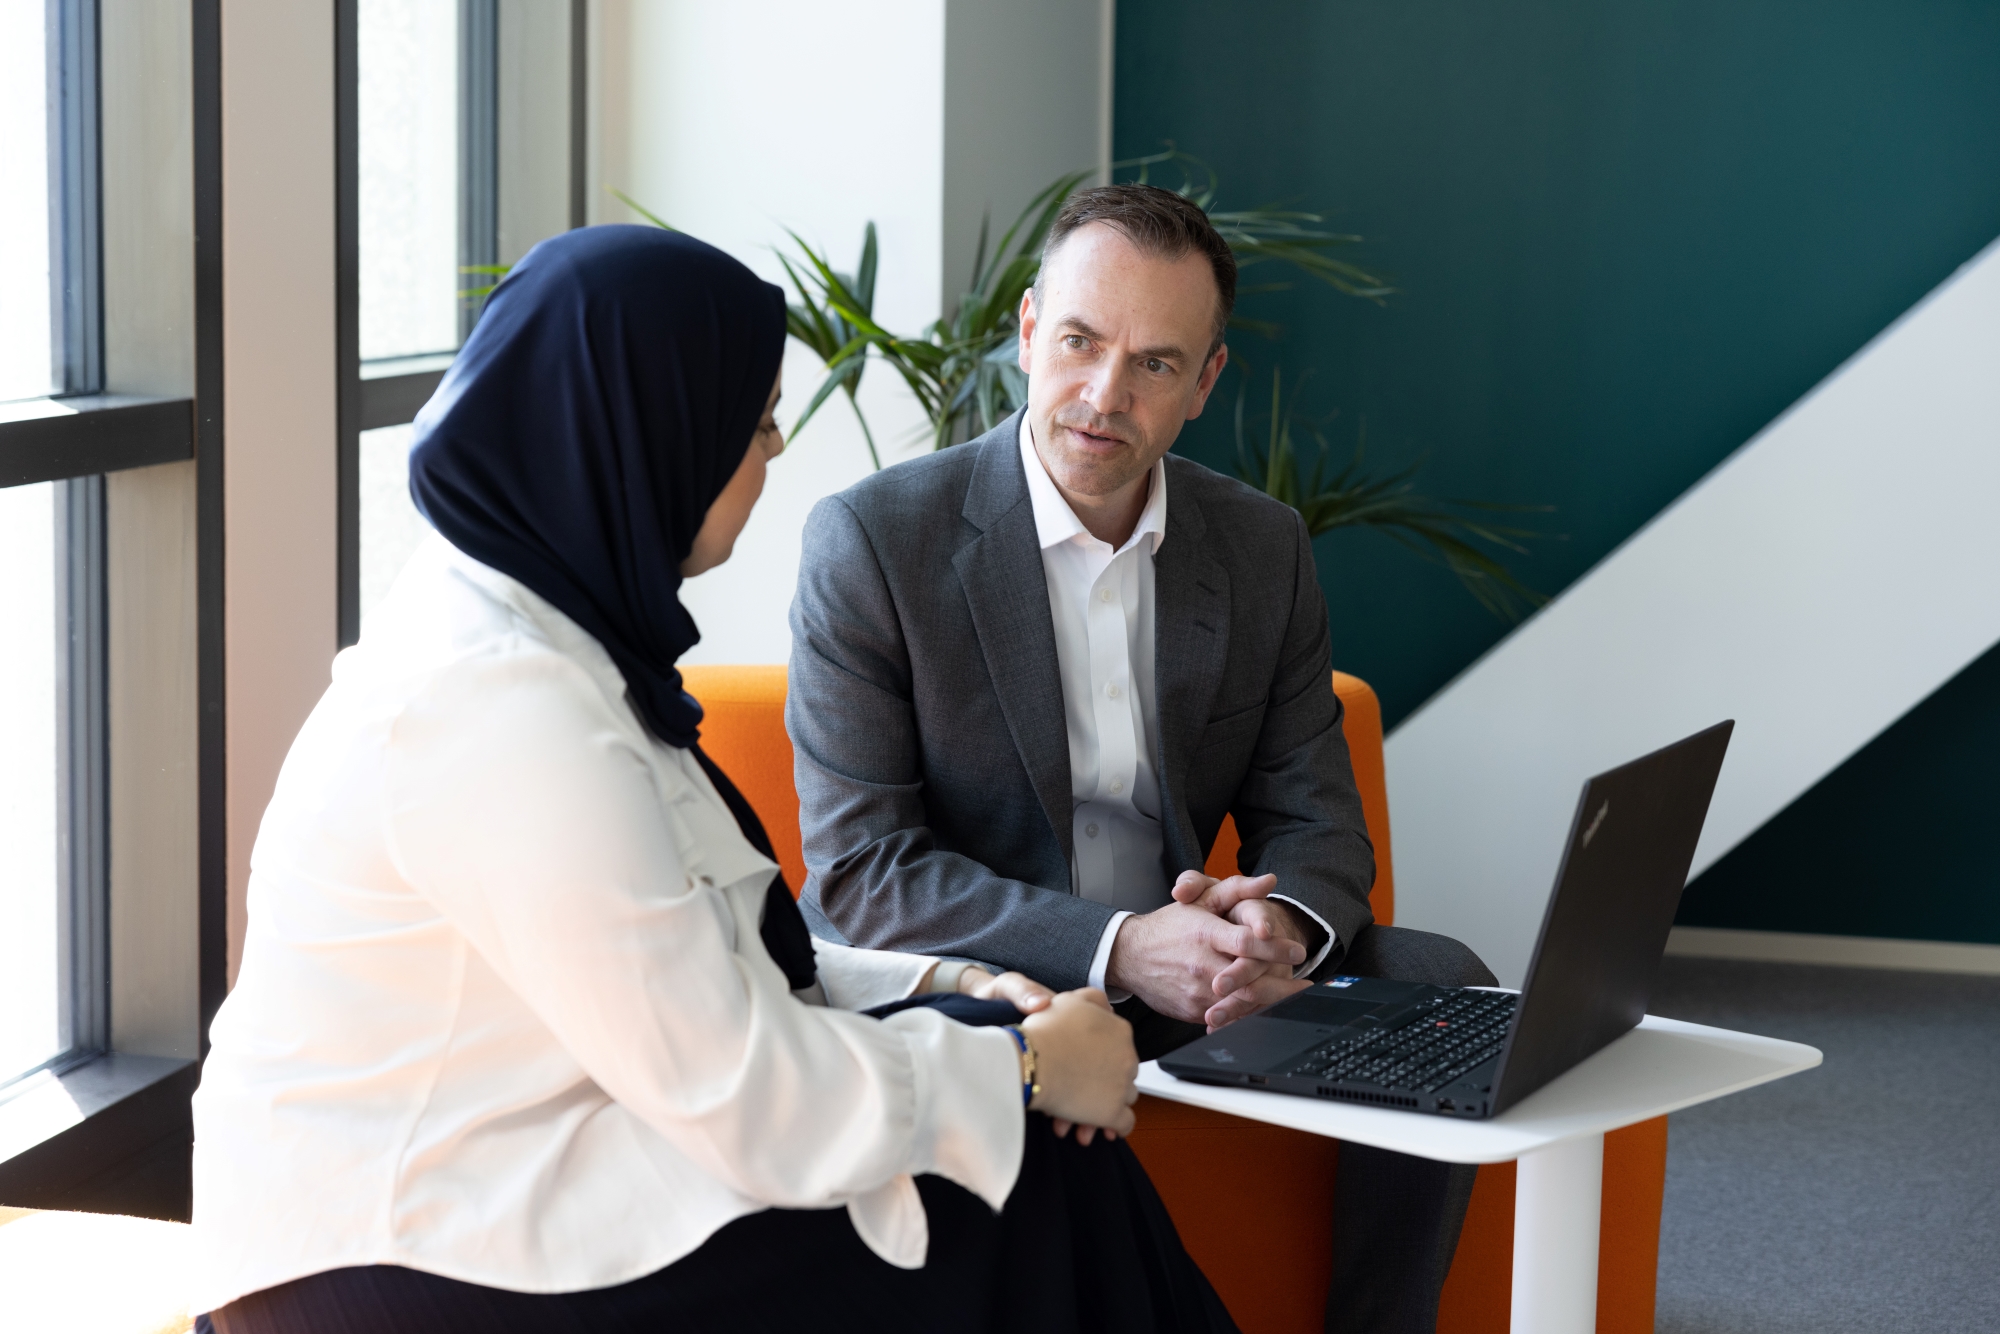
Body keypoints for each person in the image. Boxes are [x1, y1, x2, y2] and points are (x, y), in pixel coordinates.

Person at [190, 226, 1238, 1334]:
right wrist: (1021, 1066)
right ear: (653, 442)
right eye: (755, 420)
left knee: (1018, 1160)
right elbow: (733, 1085)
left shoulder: (550, 635)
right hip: (400, 1244)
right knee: (1013, 1166)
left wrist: (944, 991)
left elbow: (688, 953)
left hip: (527, 1144)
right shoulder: (497, 705)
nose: (776, 448)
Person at [788, 184, 1498, 1334]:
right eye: (1077, 341)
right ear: (1027, 332)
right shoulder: (875, 540)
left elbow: (1316, 818)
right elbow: (865, 871)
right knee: (985, 1029)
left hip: (1200, 987)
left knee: (1442, 970)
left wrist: (1273, 934)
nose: (1102, 395)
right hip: (994, 987)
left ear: (1203, 384)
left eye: (1155, 364)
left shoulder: (1259, 547)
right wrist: (1121, 946)